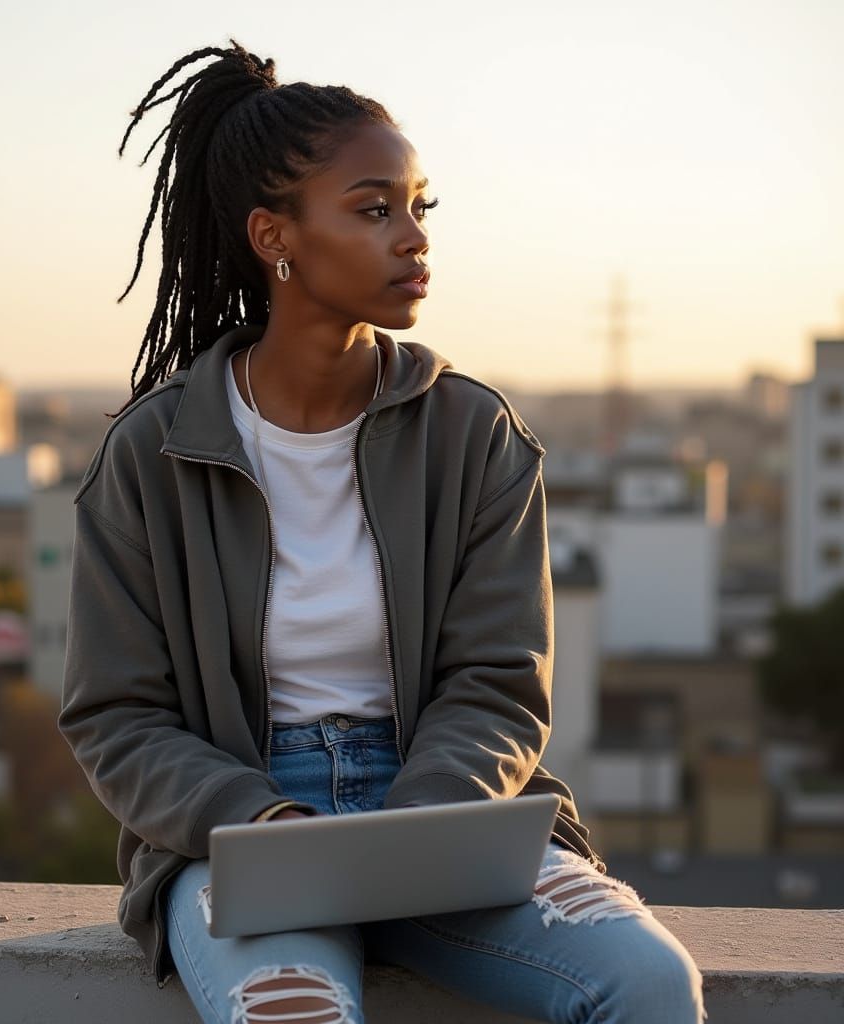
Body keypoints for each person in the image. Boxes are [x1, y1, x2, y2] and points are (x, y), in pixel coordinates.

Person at [58, 38, 708, 1024]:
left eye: (418, 206)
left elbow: (497, 683)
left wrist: (405, 841)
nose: (413, 237)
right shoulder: (151, 455)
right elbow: (115, 714)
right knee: (297, 1015)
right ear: (274, 236)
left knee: (650, 981)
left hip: (452, 815)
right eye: (373, 209)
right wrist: (265, 822)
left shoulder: (473, 433)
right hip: (240, 834)